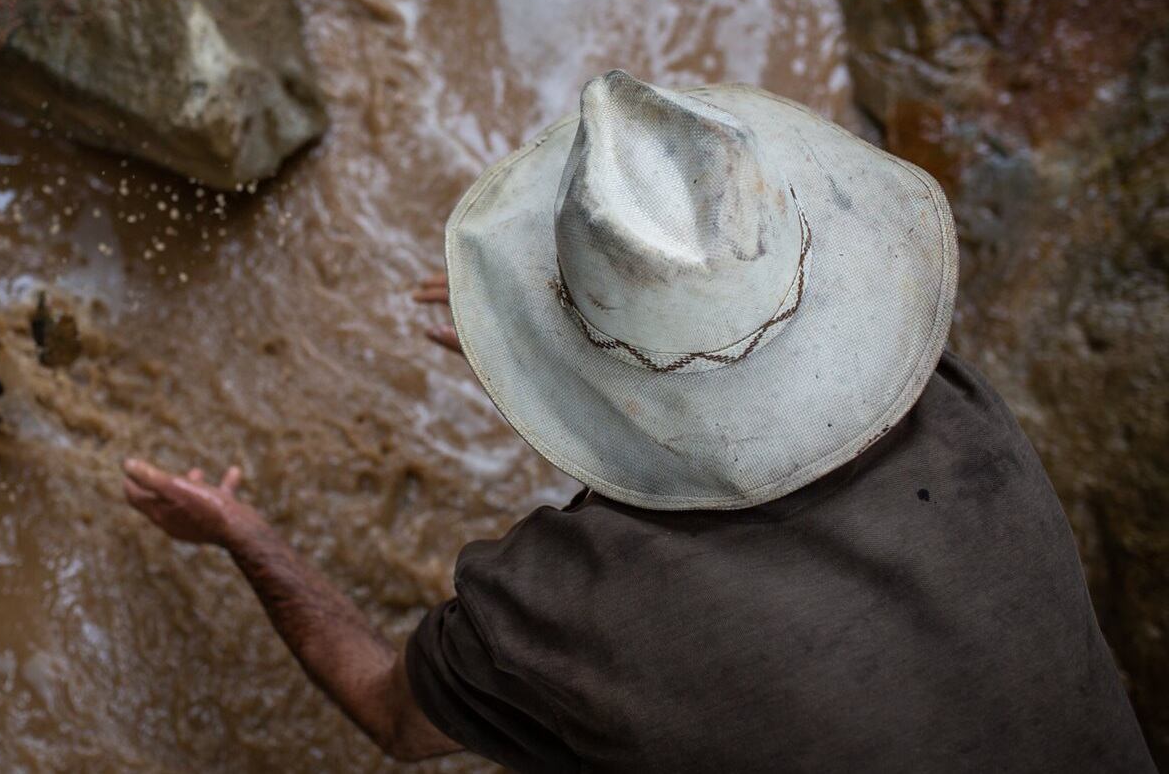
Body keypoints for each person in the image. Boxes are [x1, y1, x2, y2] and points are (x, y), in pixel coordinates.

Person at [121, 72, 1154, 772]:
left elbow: (388, 715)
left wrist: (241, 535)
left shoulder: (561, 609)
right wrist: (560, 369)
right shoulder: (960, 417)